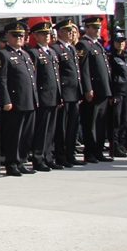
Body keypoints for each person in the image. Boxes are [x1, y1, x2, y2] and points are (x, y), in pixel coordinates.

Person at [0, 22, 38, 176]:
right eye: (15, 35)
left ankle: (21, 160)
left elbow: (32, 79)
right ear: (7, 36)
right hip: (15, 101)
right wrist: (6, 99)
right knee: (14, 135)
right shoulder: (4, 54)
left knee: (26, 135)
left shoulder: (25, 54)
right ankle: (11, 163)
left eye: (21, 35)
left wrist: (35, 98)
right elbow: (2, 79)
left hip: (28, 100)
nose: (19, 38)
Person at [77, 16, 112, 163]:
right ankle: (90, 151)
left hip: (103, 90)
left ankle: (98, 150)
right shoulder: (84, 45)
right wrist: (87, 89)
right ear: (87, 28)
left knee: (100, 123)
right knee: (90, 123)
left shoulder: (97, 45)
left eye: (99, 27)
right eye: (94, 27)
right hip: (93, 90)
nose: (97, 30)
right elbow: (84, 69)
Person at [29, 21, 62, 171]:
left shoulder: (52, 52)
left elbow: (56, 76)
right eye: (43, 34)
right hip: (43, 96)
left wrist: (59, 95)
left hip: (53, 95)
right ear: (36, 36)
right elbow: (33, 77)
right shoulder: (34, 52)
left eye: (48, 34)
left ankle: (48, 156)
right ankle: (38, 158)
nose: (46, 36)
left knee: (50, 129)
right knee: (41, 129)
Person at [51, 19, 83, 168]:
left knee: (72, 127)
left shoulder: (72, 48)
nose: (71, 33)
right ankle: (61, 155)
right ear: (60, 33)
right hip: (64, 93)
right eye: (68, 31)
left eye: (72, 31)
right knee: (62, 128)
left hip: (74, 93)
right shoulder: (56, 49)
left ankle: (70, 154)